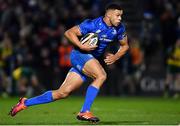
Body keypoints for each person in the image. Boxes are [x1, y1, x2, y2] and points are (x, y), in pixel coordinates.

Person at [9, 3, 129, 123]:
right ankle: (84, 111)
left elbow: (125, 46)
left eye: (121, 16)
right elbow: (69, 33)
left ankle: (25, 103)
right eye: (117, 15)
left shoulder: (119, 28)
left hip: (89, 60)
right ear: (108, 14)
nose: (120, 18)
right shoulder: (92, 24)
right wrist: (81, 46)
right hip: (79, 55)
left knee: (62, 93)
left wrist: (116, 56)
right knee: (101, 75)